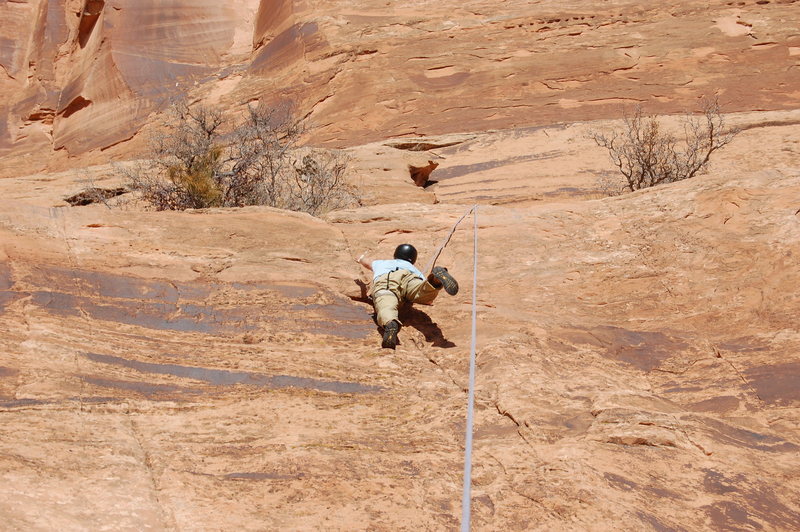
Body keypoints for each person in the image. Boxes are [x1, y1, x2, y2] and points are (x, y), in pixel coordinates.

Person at [356, 243, 458, 349]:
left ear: (396, 254)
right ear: (413, 259)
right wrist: (427, 299)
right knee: (424, 289)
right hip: (410, 278)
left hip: (387, 281)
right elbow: (425, 298)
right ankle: (435, 280)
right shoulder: (415, 270)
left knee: (386, 305)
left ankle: (390, 323)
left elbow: (367, 262)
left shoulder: (382, 263)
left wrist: (360, 258)